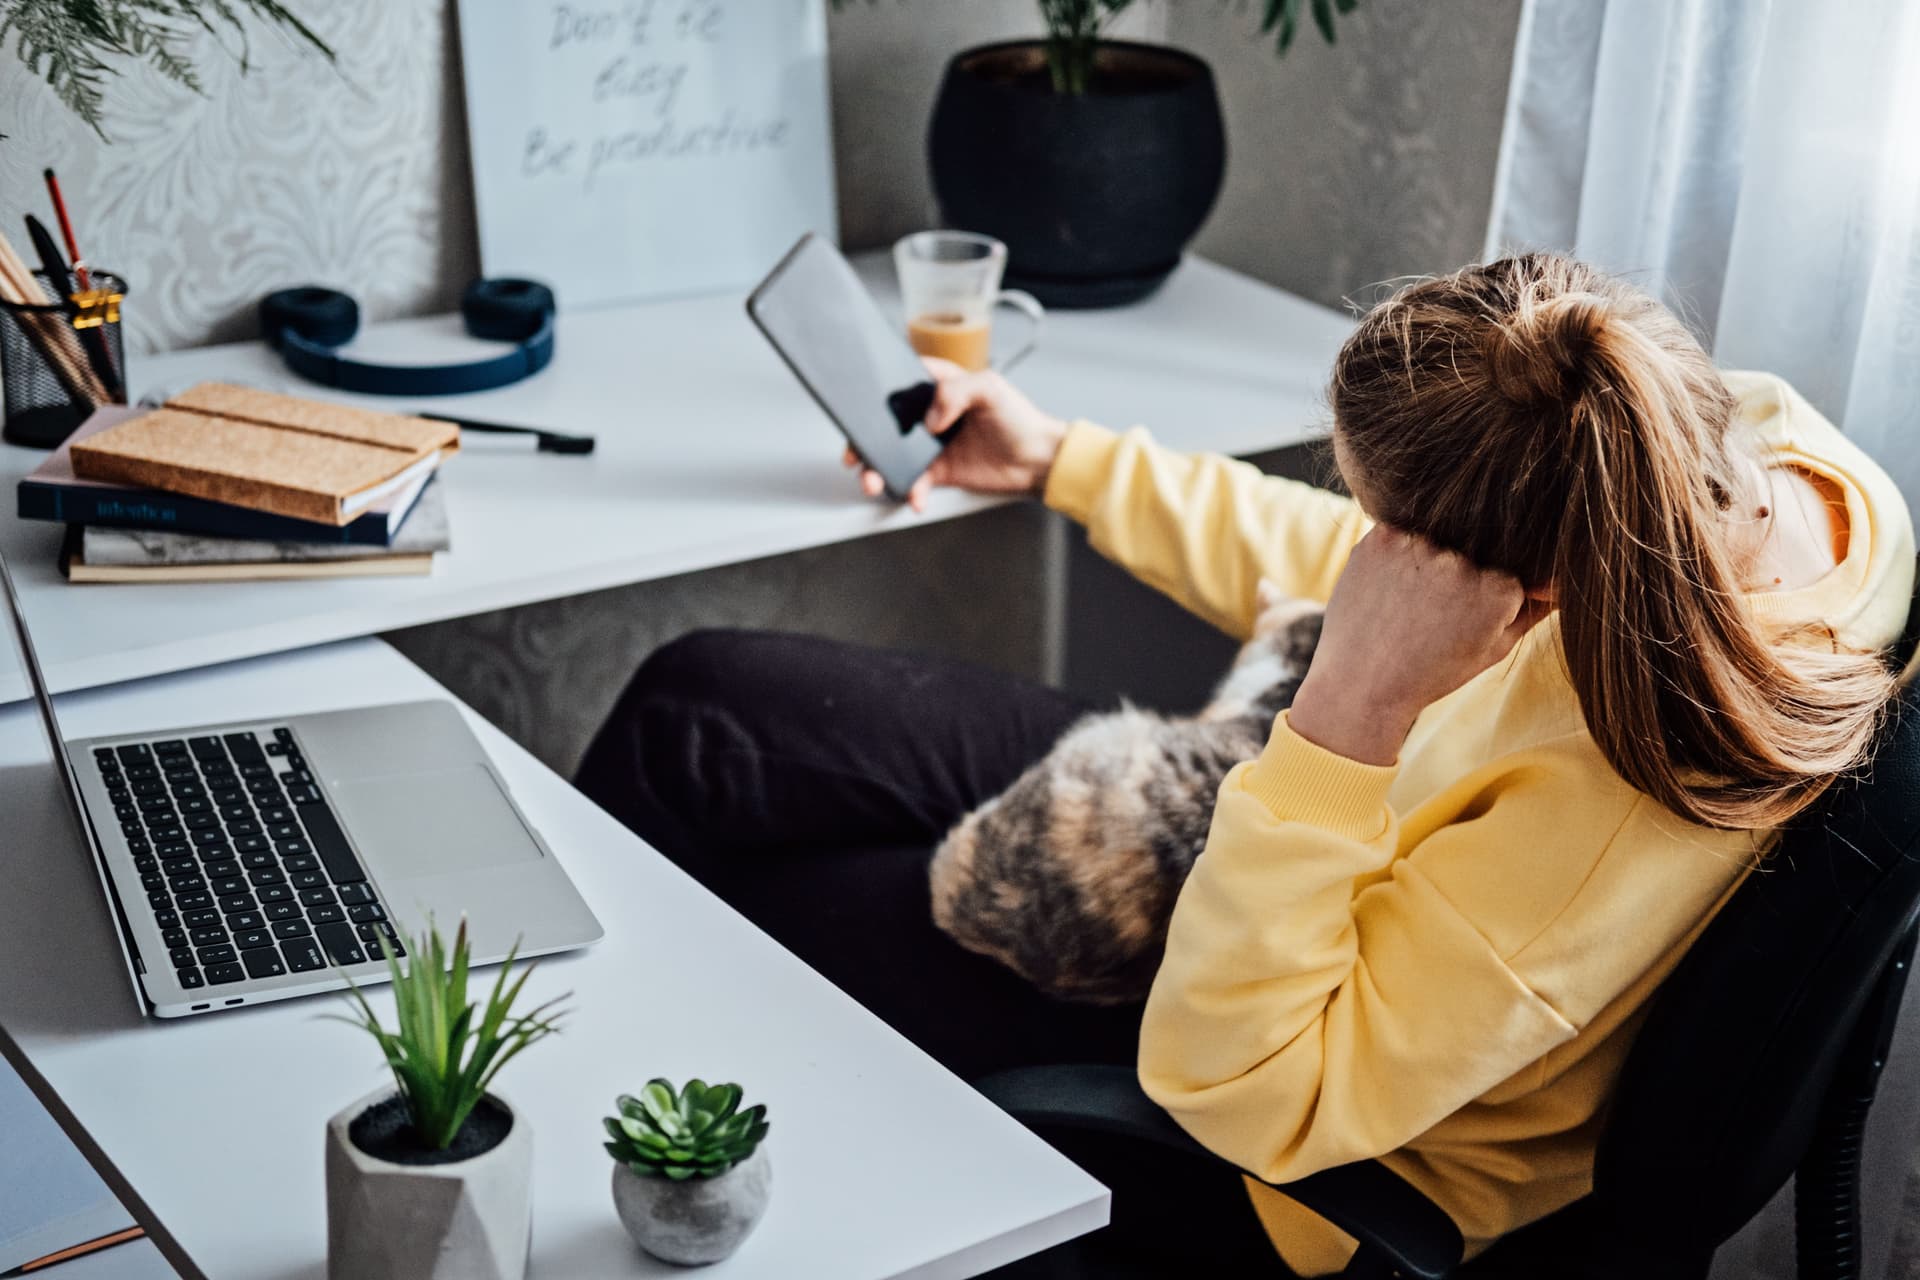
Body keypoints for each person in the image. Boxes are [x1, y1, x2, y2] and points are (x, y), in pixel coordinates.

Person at [573, 253, 1915, 1276]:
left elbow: (1254, 1090)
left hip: (1291, 1092)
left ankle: (591, 1170)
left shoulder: (1608, 812)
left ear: (1529, 595)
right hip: (1302, 842)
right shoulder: (1754, 463)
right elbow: (1370, 570)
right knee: (700, 712)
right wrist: (1063, 463)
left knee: (749, 918)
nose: (1371, 547)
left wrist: (1348, 710)